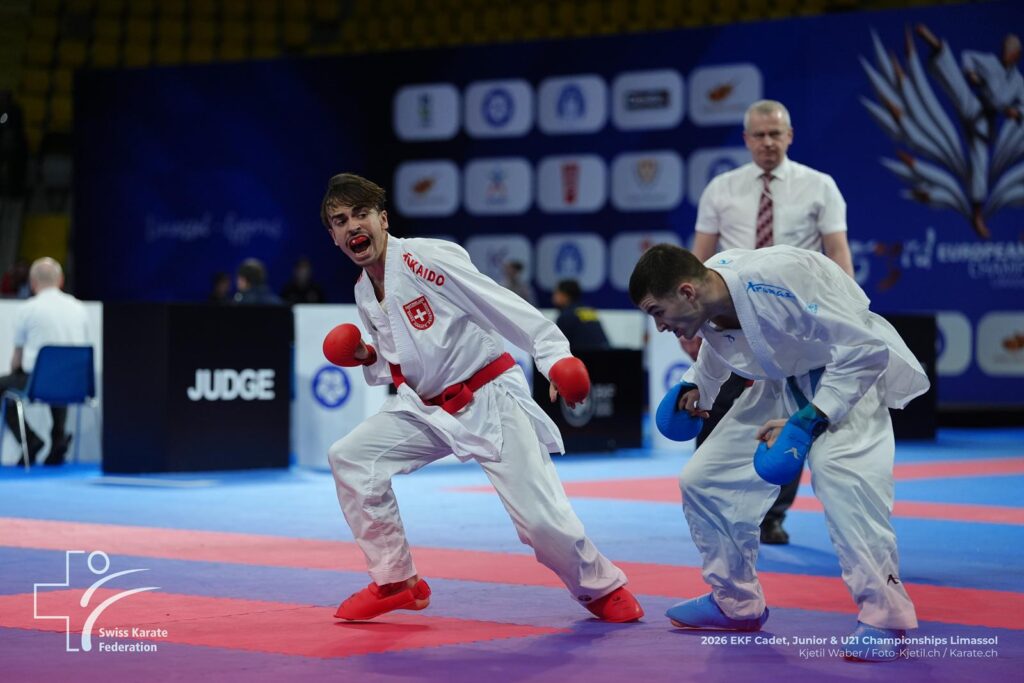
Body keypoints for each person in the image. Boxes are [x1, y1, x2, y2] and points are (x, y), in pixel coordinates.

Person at [319, 173, 642, 623]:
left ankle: (601, 587)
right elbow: (401, 359)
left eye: (361, 214)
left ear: (383, 219)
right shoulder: (363, 291)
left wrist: (555, 357)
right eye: (340, 221)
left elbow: (501, 304)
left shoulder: (425, 258)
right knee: (351, 458)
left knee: (540, 521)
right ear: (333, 237)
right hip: (427, 408)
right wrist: (367, 355)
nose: (353, 225)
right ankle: (396, 581)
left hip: (488, 395)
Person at [630, 243, 928, 661]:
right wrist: (699, 385)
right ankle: (735, 603)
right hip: (780, 381)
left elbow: (864, 350)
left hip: (846, 376)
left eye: (657, 312)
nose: (660, 326)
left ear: (686, 292)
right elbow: (721, 338)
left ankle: (886, 617)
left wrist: (810, 418)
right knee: (703, 480)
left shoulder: (782, 278)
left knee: (841, 482)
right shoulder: (708, 291)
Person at [688, 99, 855, 545]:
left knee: (789, 418)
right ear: (746, 139)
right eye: (759, 135)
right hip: (732, 316)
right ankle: (716, 501)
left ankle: (772, 516)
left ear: (789, 136)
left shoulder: (820, 186)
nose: (767, 142)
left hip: (796, 323)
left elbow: (838, 254)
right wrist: (693, 321)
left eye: (775, 134)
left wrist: (849, 315)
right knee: (718, 407)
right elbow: (698, 260)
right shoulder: (721, 189)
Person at [0, 257, 89, 466]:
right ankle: (58, 437)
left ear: (32, 283)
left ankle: (29, 440)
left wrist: (16, 371)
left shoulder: (28, 309)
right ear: (61, 281)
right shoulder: (79, 308)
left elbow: (16, 360)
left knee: (10, 386)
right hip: (75, 384)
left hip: (40, 382)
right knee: (59, 376)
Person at [552, 279, 610, 352]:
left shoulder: (566, 316)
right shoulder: (589, 311)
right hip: (604, 355)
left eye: (556, 293)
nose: (553, 297)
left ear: (565, 295)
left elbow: (557, 348)